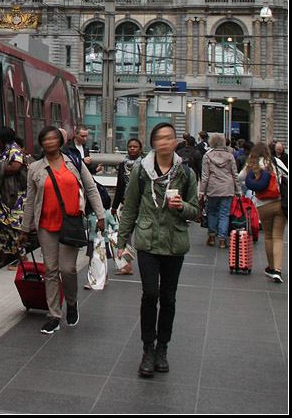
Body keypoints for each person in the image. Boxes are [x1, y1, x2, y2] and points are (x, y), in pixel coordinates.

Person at [117, 121, 199, 378]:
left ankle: (163, 348)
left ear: (176, 143)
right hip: (148, 240)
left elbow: (196, 211)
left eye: (169, 137)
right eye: (159, 138)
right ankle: (147, 349)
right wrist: (121, 242)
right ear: (153, 143)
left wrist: (181, 207)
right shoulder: (141, 171)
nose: (164, 142)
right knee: (150, 294)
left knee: (169, 297)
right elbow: (130, 207)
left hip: (174, 243)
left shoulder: (186, 174)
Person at [17, 125, 104, 334]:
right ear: (41, 144)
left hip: (71, 224)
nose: (49, 143)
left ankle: (72, 303)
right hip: (46, 226)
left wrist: (100, 215)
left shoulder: (74, 163)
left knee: (68, 269)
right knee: (51, 271)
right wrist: (24, 229)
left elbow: (90, 188)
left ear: (61, 142)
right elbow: (30, 201)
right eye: (45, 140)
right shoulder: (35, 168)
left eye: (53, 139)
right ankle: (54, 314)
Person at [242, 142, 287, 282]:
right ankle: (277, 270)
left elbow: (240, 177)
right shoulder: (275, 161)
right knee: (278, 237)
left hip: (262, 205)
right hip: (279, 203)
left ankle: (271, 267)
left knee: (268, 236)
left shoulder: (252, 163)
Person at [0, 126, 28, 266]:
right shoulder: (3, 150)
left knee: (14, 226)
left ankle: (22, 258)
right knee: (0, 224)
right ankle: (10, 255)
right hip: (3, 195)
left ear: (3, 140)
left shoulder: (15, 150)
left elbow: (15, 167)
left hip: (14, 196)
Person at [198, 132, 242, 248]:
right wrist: (238, 191)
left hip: (213, 188)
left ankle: (212, 236)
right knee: (224, 214)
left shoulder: (207, 156)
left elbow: (205, 176)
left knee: (211, 212)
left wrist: (201, 192)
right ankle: (222, 239)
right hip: (227, 188)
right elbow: (235, 174)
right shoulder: (229, 156)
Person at [111, 137, 143, 274]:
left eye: (135, 146)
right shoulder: (123, 165)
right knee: (125, 233)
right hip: (126, 203)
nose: (132, 149)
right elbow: (119, 186)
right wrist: (114, 205)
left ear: (140, 149)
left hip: (142, 204)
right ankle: (127, 264)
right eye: (130, 146)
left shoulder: (145, 165)